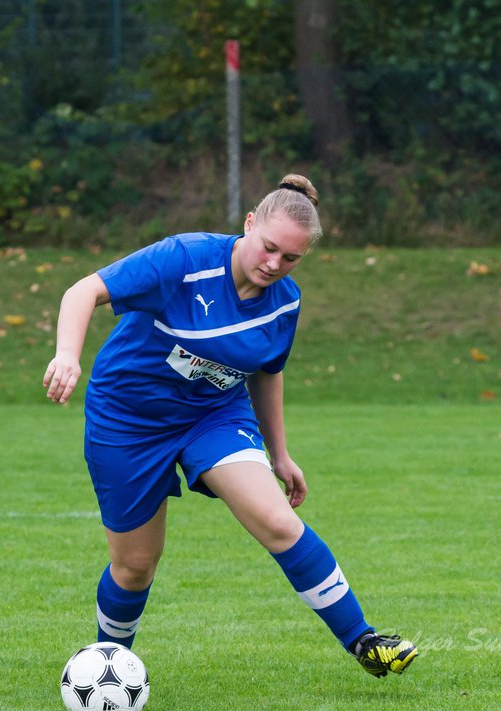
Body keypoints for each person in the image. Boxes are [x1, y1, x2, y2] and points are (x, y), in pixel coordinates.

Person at [42, 175, 418, 678]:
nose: (274, 265)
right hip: (127, 417)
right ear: (248, 224)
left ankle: (363, 640)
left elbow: (267, 372)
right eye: (268, 248)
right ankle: (108, 665)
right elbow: (83, 290)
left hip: (212, 415)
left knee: (278, 522)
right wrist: (67, 355)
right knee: (135, 566)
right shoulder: (184, 258)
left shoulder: (285, 301)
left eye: (291, 259)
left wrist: (280, 454)